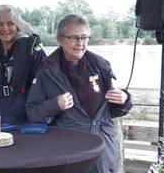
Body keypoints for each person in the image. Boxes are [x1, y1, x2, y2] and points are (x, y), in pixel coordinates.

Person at [26, 14, 133, 173]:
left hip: (104, 148)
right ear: (60, 40)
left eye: (84, 37)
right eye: (74, 38)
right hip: (69, 153)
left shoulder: (101, 65)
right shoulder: (45, 72)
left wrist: (124, 99)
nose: (80, 43)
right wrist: (54, 104)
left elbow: (113, 111)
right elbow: (32, 114)